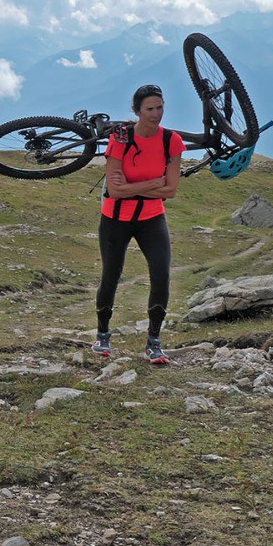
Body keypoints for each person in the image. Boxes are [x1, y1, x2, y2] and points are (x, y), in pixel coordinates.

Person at [93, 84, 184, 364]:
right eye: (149, 109)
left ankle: (154, 343)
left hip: (151, 218)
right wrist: (152, 183)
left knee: (161, 276)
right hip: (115, 218)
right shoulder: (121, 139)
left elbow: (170, 191)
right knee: (111, 275)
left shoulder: (171, 141)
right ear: (136, 111)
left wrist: (135, 187)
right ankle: (102, 336)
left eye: (160, 107)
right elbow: (114, 190)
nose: (156, 114)